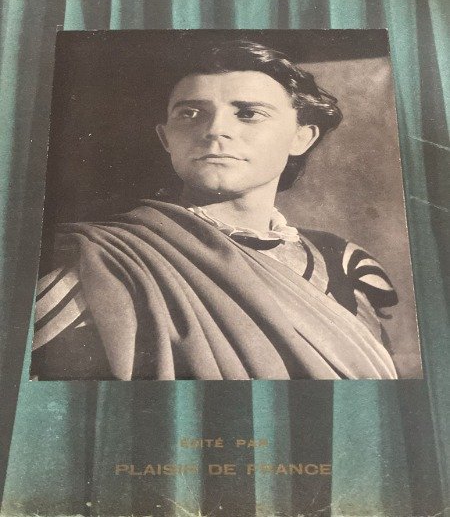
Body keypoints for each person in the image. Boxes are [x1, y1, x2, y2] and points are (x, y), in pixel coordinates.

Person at [31, 40, 398, 380]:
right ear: (166, 139)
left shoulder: (343, 265)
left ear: (302, 137)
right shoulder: (103, 261)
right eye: (190, 113)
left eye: (249, 113)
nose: (215, 130)